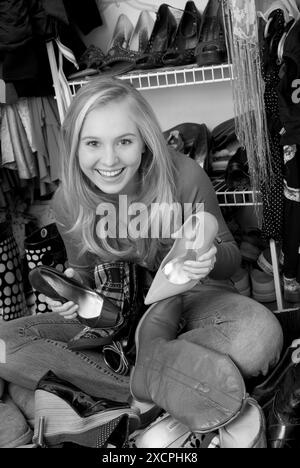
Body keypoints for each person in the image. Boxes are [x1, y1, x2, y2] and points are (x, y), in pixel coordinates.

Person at [0, 76, 283, 447]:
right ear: (75, 147)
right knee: (5, 343)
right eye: (93, 144)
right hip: (117, 323)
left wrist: (210, 258)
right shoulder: (69, 200)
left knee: (260, 335)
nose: (109, 159)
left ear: (144, 138)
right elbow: (84, 278)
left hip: (191, 304)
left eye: (124, 141)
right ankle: (165, 386)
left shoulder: (182, 175)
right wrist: (71, 296)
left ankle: (107, 397)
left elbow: (230, 260)